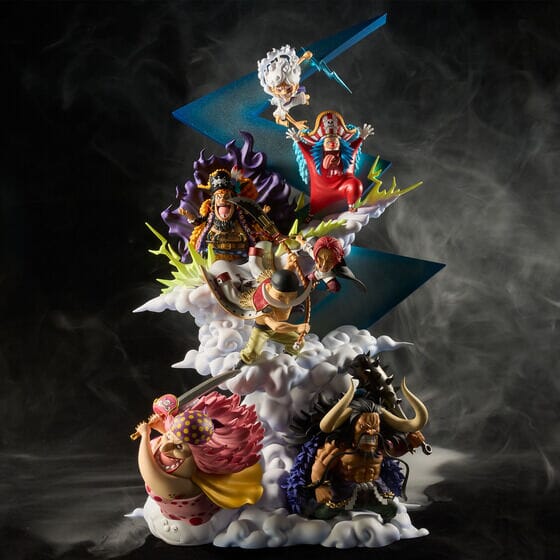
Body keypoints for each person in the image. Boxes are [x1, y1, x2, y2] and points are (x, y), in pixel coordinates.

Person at [239, 269, 311, 364]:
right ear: (269, 288)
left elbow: (281, 312)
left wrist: (293, 308)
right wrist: (296, 328)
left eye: (291, 297)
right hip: (262, 330)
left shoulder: (284, 301)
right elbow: (275, 326)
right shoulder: (263, 306)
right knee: (251, 353)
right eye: (280, 296)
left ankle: (286, 358)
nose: (286, 302)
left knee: (298, 342)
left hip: (278, 330)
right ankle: (239, 366)